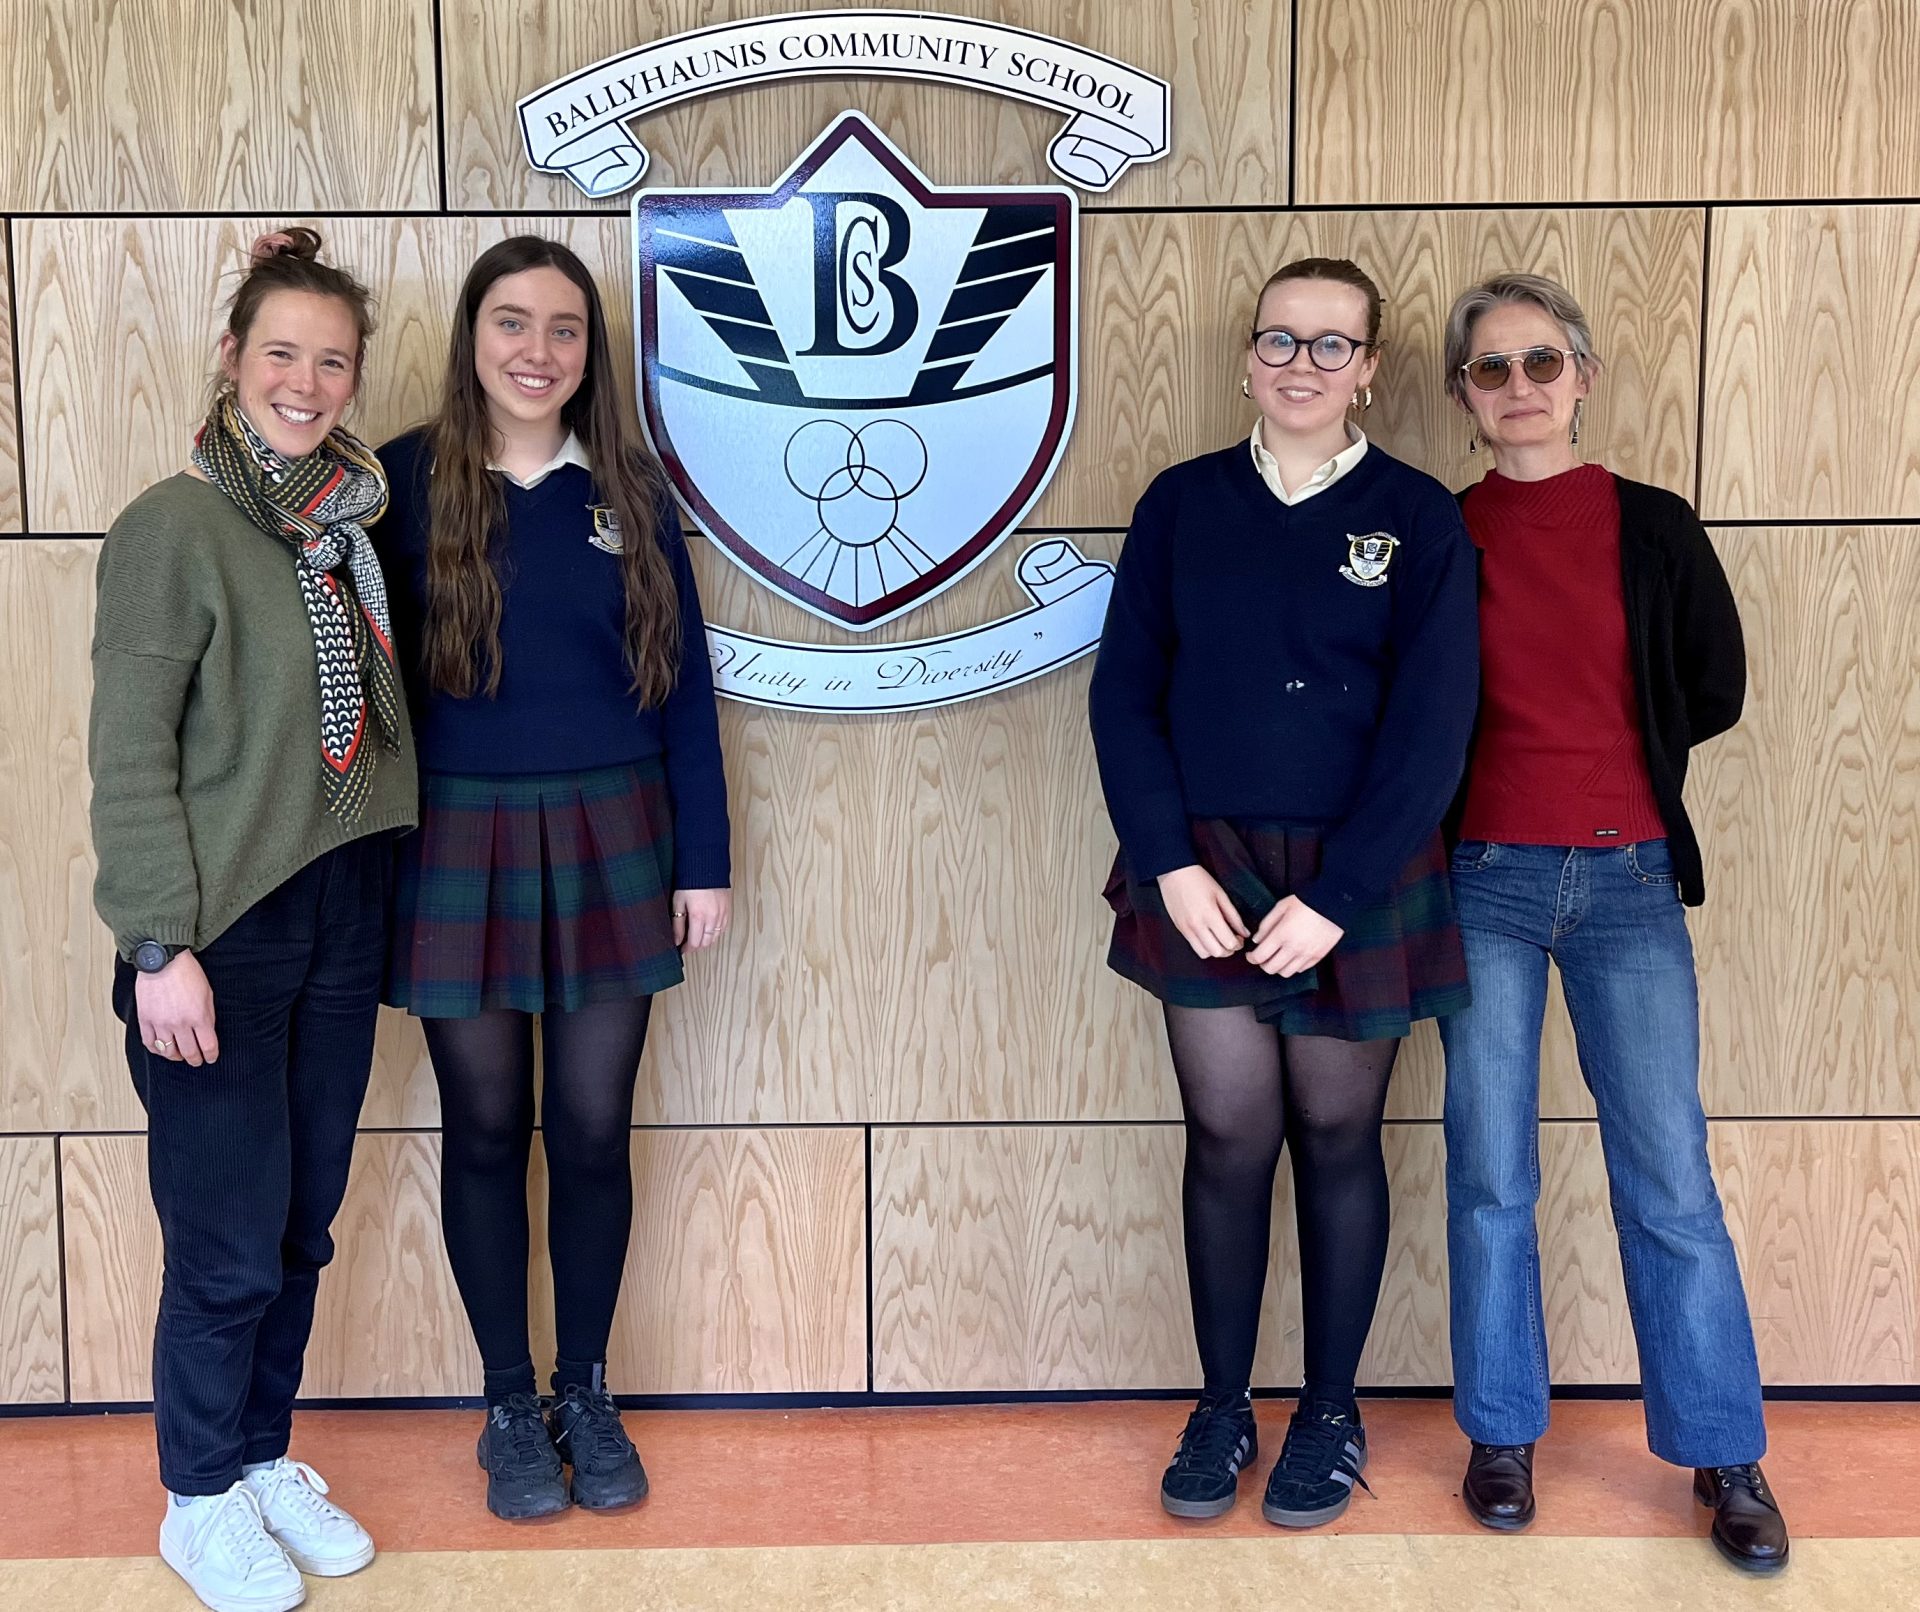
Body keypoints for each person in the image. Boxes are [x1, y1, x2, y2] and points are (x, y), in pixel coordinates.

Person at [1089, 257, 1479, 1528]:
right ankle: (1221, 1406)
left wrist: (1344, 894)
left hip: (1359, 873)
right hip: (1203, 865)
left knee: (1338, 1139)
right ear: (1248, 356)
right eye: (1280, 340)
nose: (1301, 364)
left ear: (1369, 369)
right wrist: (1167, 859)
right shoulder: (1182, 503)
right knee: (1227, 1138)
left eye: (1331, 345)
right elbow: (1124, 695)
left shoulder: (1417, 515)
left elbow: (1436, 727)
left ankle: (1328, 1412)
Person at [1437, 272, 1788, 1573]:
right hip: (1483, 884)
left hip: (1629, 883)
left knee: (1669, 1177)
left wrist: (1618, 767)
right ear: (1466, 396)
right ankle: (1501, 1433)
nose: (1520, 386)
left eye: (1542, 361)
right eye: (1492, 368)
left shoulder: (1653, 525)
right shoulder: (1441, 533)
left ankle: (1723, 1450)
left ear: (1581, 376)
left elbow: (1715, 682)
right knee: (1489, 1172)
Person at [376, 236, 729, 1521]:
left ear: (592, 349)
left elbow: (684, 689)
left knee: (588, 1128)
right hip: (453, 835)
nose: (538, 351)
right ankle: (508, 1404)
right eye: (513, 322)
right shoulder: (399, 482)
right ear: (472, 335)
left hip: (613, 832)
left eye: (565, 328)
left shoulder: (630, 488)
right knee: (483, 1128)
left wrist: (705, 862)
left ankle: (587, 1388)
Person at [90, 227, 415, 1612]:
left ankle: (261, 1455)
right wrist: (157, 946)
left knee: (298, 1228)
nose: (305, 381)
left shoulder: (348, 531)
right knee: (224, 1243)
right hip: (220, 933)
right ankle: (198, 1493)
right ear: (231, 358)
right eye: (281, 352)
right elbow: (128, 756)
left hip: (342, 912)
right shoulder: (175, 528)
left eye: (332, 361)